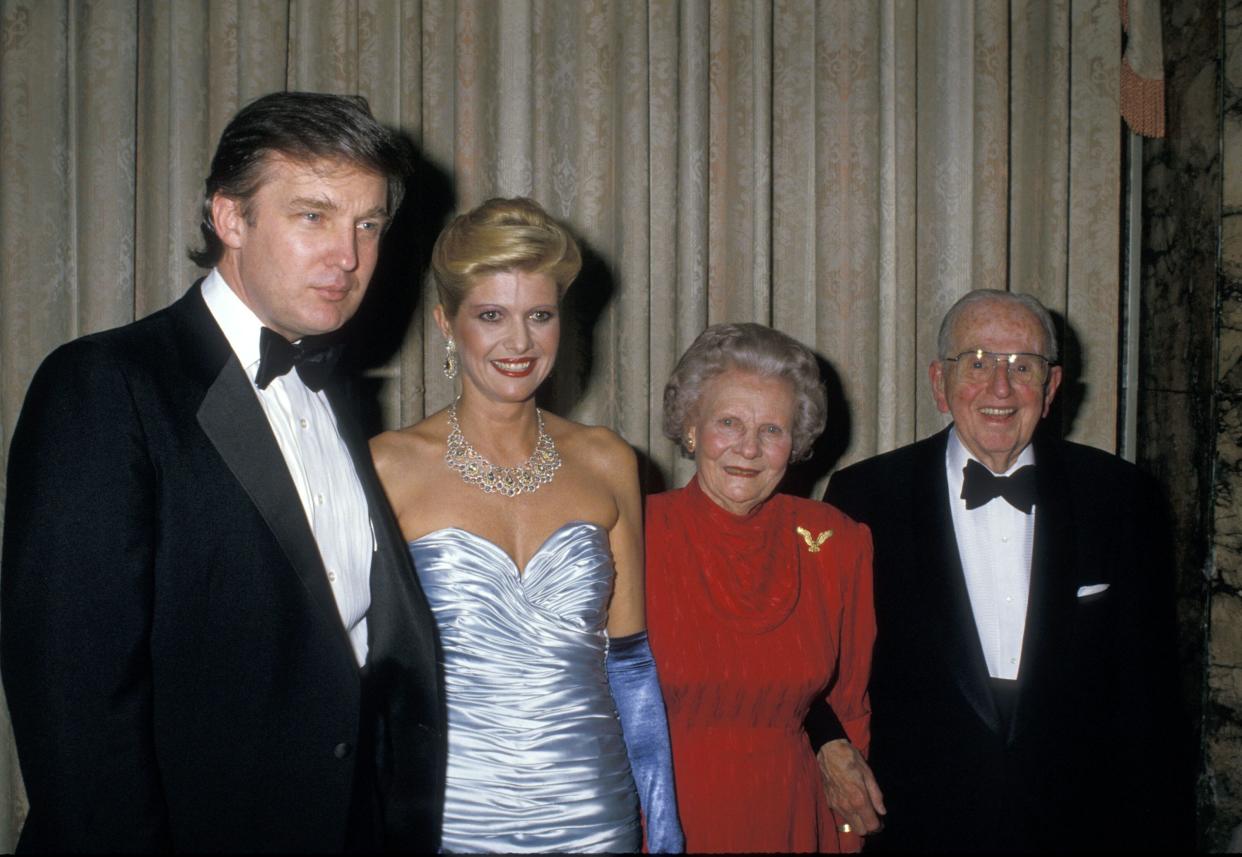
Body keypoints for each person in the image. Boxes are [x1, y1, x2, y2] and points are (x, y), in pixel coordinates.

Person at [1, 92, 445, 852]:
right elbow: (74, 705)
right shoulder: (105, 386)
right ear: (230, 219)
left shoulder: (332, 389)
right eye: (313, 215)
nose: (349, 255)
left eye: (368, 224)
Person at [813, 288, 1189, 851]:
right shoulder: (866, 494)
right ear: (940, 384)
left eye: (1023, 366)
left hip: (1081, 821)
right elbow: (812, 654)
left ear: (1052, 386)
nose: (1000, 388)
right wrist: (825, 743)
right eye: (978, 362)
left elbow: (1151, 693)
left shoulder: (1121, 495)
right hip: (915, 817)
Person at [370, 196, 682, 853]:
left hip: (594, 816)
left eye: (539, 315)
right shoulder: (389, 467)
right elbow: (364, 677)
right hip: (450, 820)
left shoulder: (608, 460)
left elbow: (630, 665)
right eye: (491, 315)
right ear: (446, 325)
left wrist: (666, 828)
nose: (520, 342)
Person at [645, 322, 876, 853]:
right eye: (729, 422)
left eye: (772, 430)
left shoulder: (835, 542)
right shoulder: (633, 534)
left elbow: (849, 709)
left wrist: (845, 838)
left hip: (790, 816)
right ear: (691, 428)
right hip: (663, 816)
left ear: (795, 443)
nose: (749, 449)